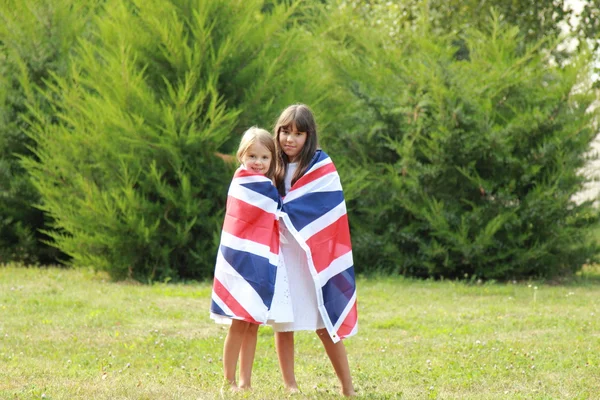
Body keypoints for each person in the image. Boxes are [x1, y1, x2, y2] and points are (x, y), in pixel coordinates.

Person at [269, 104, 358, 397]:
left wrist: (286, 210)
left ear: (310, 136)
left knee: (325, 321)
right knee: (283, 323)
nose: (290, 139)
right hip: (282, 254)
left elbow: (326, 208)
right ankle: (290, 386)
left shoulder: (321, 166)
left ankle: (347, 386)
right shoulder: (272, 165)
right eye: (285, 132)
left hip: (312, 258)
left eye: (298, 133)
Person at [210, 127, 290, 391]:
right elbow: (271, 210)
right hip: (240, 260)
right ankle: (228, 380)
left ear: (272, 160)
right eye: (252, 156)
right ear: (241, 156)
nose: (258, 162)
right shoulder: (243, 181)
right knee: (238, 322)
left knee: (253, 323)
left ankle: (245, 383)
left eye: (265, 157)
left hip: (259, 259)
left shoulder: (268, 185)